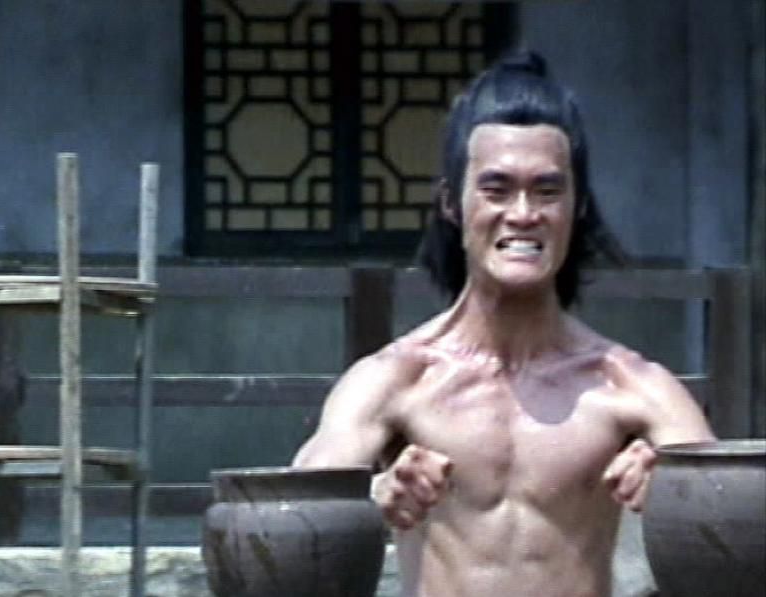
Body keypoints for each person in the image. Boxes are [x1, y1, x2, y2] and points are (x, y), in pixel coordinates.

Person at [293, 51, 715, 597]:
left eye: (547, 191)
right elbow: (294, 523)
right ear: (452, 203)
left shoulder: (632, 387)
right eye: (496, 189)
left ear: (577, 206)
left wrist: (679, 495)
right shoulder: (395, 380)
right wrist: (370, 497)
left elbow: (737, 530)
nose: (522, 214)